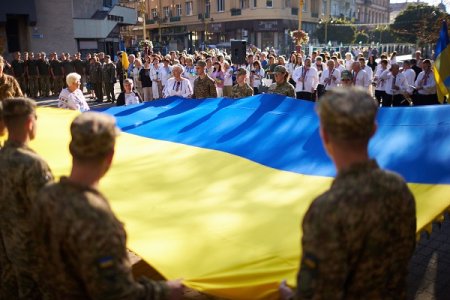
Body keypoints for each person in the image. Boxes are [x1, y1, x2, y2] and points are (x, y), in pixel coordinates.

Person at [280, 87, 416, 299]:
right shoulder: (399, 187)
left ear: (324, 135)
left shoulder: (327, 210)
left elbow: (320, 293)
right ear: (373, 129)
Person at [31, 111, 184, 299]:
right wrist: (165, 290)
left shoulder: (45, 196)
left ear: (71, 149)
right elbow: (117, 294)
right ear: (110, 156)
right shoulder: (98, 219)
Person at [0, 97, 54, 299]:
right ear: (30, 122)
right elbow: (47, 213)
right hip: (32, 254)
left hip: (6, 252)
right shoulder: (32, 163)